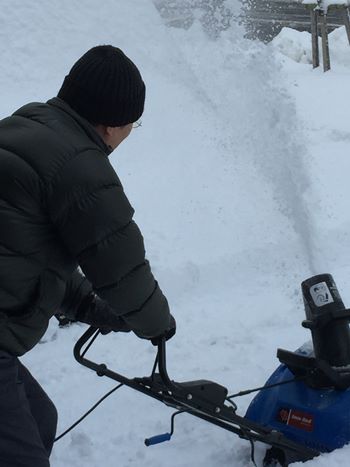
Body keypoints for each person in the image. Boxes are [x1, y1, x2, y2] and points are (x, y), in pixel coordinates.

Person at [0, 45, 176, 467]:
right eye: (134, 121)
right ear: (114, 124)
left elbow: (27, 256)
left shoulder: (20, 128)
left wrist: (89, 306)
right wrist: (156, 324)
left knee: (41, 419)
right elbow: (122, 269)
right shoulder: (80, 166)